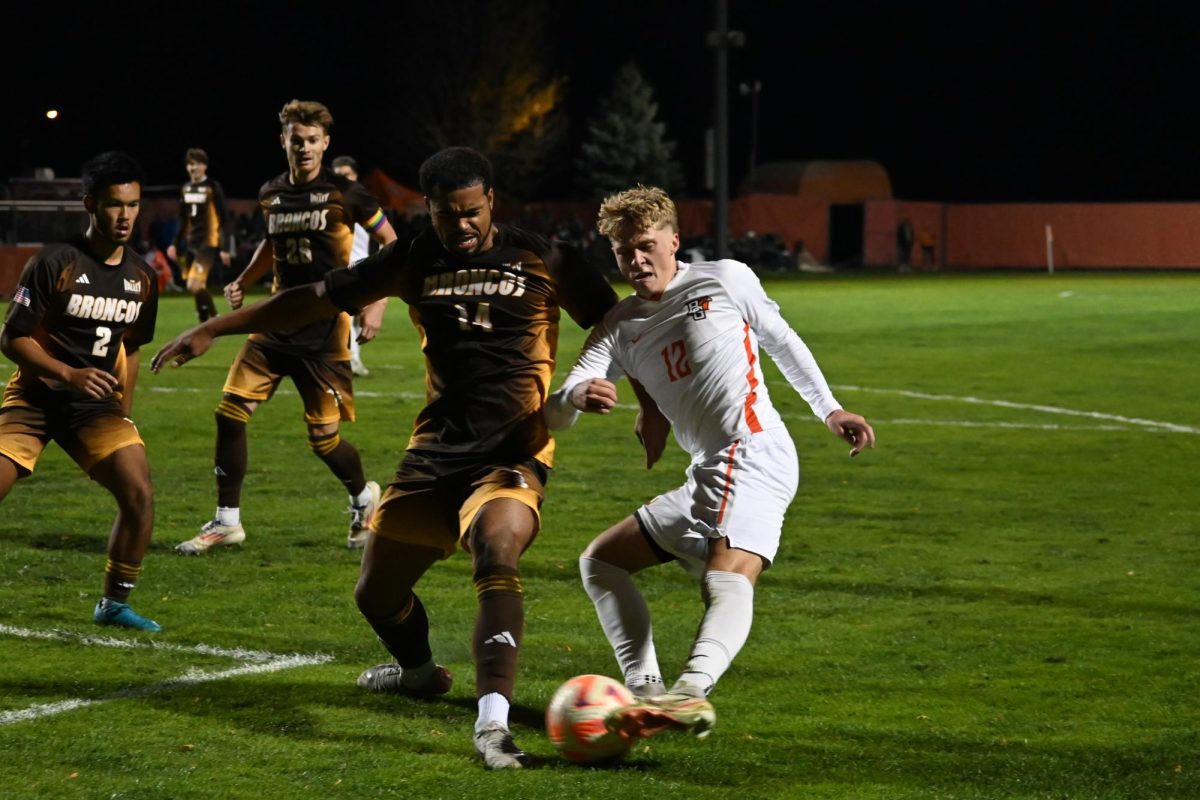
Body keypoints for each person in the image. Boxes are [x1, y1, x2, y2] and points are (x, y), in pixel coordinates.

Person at [152, 146, 662, 769]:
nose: (463, 225)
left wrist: (649, 402)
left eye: (472, 212)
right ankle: (419, 673)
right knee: (375, 594)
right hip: (435, 450)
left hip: (514, 448)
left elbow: (620, 322)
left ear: (491, 202)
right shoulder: (414, 255)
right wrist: (215, 327)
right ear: (429, 210)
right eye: (450, 215)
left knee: (496, 550)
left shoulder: (542, 256)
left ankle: (492, 724)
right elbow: (314, 295)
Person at [543, 185, 876, 742]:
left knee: (728, 570)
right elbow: (558, 407)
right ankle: (648, 694)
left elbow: (781, 340)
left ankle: (690, 690)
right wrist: (575, 398)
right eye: (624, 251)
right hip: (708, 470)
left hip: (751, 449)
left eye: (646, 245)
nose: (636, 260)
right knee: (601, 562)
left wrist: (829, 409)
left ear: (676, 240)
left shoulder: (724, 279)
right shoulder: (619, 326)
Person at [172, 100, 397, 556]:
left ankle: (362, 498)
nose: (305, 147)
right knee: (229, 413)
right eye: (297, 140)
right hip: (273, 324)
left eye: (313, 140)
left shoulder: (346, 193)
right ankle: (227, 522)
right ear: (284, 141)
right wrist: (243, 280)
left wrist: (376, 302)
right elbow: (272, 245)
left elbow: (391, 245)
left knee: (324, 440)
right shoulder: (271, 192)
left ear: (326, 143)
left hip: (324, 330)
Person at [0, 151, 162, 632]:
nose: (125, 216)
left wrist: (124, 412)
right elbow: (12, 338)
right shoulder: (55, 262)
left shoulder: (142, 277)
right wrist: (68, 374)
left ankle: (114, 604)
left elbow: (129, 348)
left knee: (139, 495)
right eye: (115, 205)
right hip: (34, 401)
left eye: (133, 205)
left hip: (95, 409)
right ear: (90, 203)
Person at [167, 148, 233, 322]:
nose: (192, 167)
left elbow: (225, 219)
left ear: (204, 166)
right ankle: (204, 323)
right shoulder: (186, 188)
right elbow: (183, 220)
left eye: (196, 163)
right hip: (191, 244)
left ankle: (215, 319)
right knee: (197, 287)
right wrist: (174, 243)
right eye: (189, 164)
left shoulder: (212, 187)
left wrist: (225, 248)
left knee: (193, 285)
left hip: (207, 243)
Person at [331, 155, 377, 377]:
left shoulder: (363, 200)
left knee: (359, 316)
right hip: (341, 267)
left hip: (363, 264)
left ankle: (351, 357)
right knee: (346, 316)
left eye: (347, 175)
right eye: (339, 176)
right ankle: (352, 360)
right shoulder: (329, 202)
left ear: (355, 176)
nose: (343, 179)